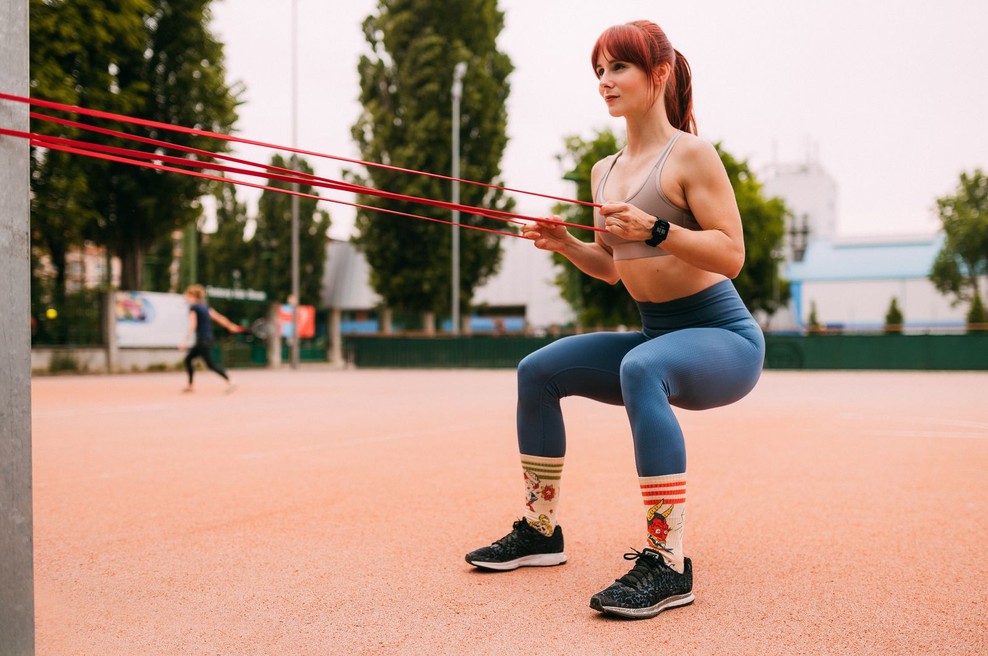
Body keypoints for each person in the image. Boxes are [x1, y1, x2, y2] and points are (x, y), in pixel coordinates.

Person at [464, 20, 765, 619]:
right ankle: (541, 531)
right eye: (598, 71)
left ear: (658, 75)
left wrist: (658, 228)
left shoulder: (692, 155)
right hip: (656, 332)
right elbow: (613, 268)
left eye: (617, 68)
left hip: (723, 337)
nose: (604, 81)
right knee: (537, 370)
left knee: (641, 366)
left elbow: (732, 254)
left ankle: (668, 561)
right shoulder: (604, 170)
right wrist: (568, 243)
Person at [180, 284, 243, 393]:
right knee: (189, 360)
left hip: (202, 340)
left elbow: (192, 324)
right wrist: (231, 326)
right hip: (208, 339)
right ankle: (190, 386)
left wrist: (185, 340)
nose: (185, 297)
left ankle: (230, 381)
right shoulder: (206, 307)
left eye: (188, 295)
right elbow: (219, 318)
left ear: (194, 296)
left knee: (210, 365)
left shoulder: (194, 308)